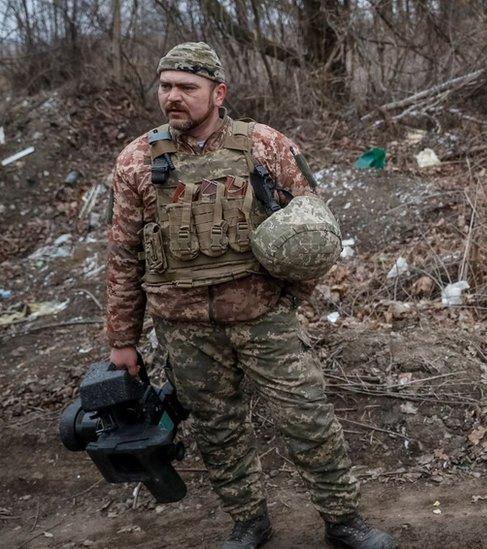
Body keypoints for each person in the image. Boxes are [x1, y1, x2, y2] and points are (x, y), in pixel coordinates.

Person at [105, 42, 396, 549]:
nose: (173, 97)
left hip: (263, 319)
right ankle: (248, 521)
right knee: (219, 430)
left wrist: (290, 296)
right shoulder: (135, 161)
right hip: (184, 328)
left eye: (186, 88)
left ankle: (344, 519)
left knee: (308, 419)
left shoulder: (264, 146)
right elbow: (124, 256)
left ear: (219, 93)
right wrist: (122, 339)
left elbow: (316, 227)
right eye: (166, 86)